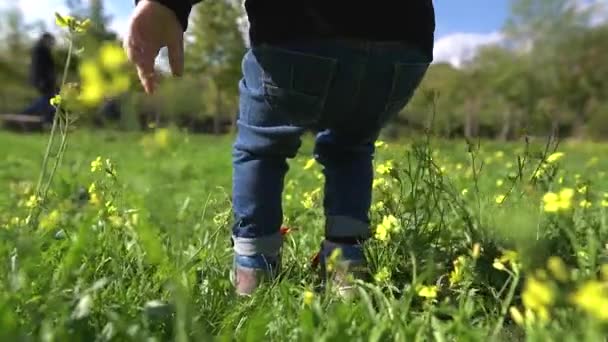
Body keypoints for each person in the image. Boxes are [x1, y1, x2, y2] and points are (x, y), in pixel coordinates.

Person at [126, 0, 435, 295]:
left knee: (261, 149)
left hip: (299, 26)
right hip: (404, 43)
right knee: (351, 148)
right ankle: (347, 267)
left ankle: (254, 271)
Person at [22, 33, 57, 123]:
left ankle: (44, 117)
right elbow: (38, 67)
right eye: (50, 41)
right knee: (46, 99)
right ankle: (27, 113)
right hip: (42, 81)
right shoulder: (40, 51)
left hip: (45, 81)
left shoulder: (43, 50)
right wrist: (42, 81)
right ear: (45, 40)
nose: (52, 43)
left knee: (48, 98)